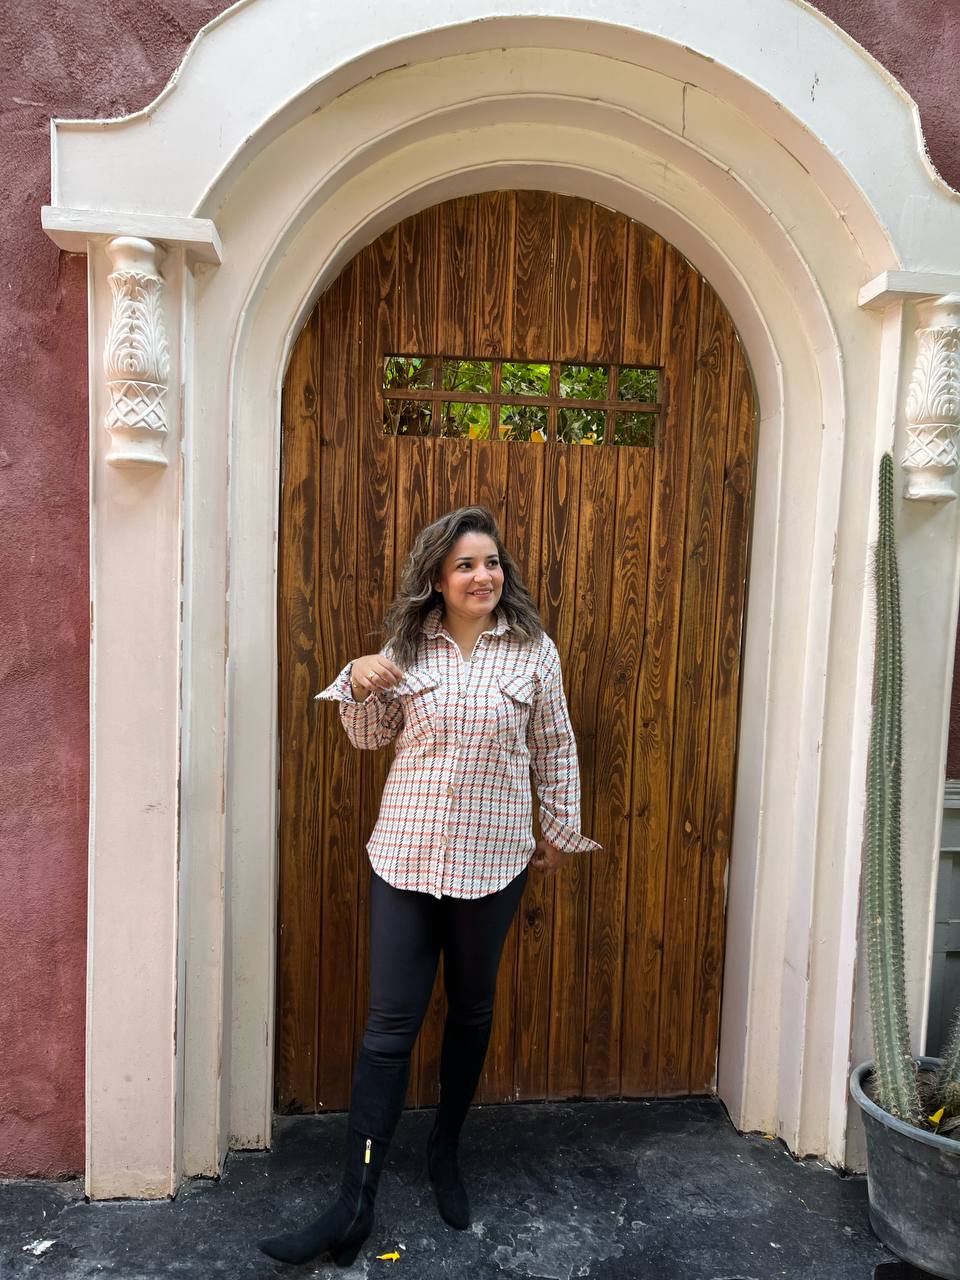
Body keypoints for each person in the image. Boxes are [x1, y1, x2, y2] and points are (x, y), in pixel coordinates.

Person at [258, 504, 601, 1267]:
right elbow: (371, 735)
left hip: (493, 864)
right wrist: (358, 679)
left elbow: (556, 742)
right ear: (438, 581)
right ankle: (355, 1204)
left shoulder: (534, 653)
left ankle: (445, 1150)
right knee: (388, 1031)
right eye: (465, 566)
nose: (483, 576)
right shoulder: (409, 646)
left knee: (472, 1012)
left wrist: (560, 829)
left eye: (491, 562)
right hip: (406, 859)